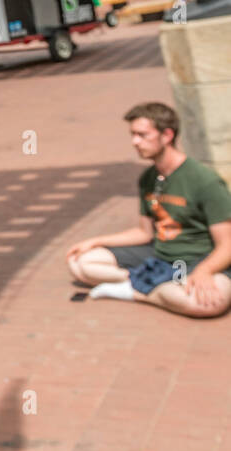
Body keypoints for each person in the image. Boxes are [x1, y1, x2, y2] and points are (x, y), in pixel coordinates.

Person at [66, 102, 231, 317]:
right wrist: (96, 241)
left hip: (196, 258)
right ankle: (159, 287)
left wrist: (205, 271)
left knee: (209, 304)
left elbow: (227, 244)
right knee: (80, 262)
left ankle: (135, 291)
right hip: (159, 256)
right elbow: (144, 232)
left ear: (167, 135)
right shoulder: (148, 178)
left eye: (142, 135)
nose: (135, 142)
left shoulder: (204, 180)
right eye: (133, 135)